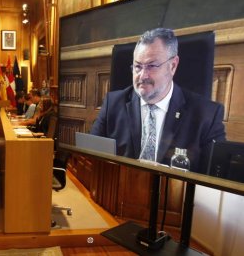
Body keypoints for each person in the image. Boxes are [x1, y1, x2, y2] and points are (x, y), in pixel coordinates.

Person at [90, 28, 226, 173]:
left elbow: (216, 177)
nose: (142, 76)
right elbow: (90, 154)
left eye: (151, 66)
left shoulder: (207, 115)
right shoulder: (113, 103)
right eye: (137, 66)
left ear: (172, 66)